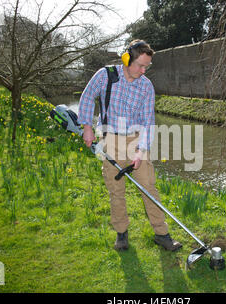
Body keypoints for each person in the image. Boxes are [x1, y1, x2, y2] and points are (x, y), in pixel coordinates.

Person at [77, 39, 182, 252]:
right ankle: (121, 233)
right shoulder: (105, 76)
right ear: (127, 59)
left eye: (147, 67)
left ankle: (162, 234)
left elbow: (147, 122)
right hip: (110, 139)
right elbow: (88, 97)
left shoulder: (146, 86)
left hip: (135, 139)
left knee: (149, 188)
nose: (144, 71)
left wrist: (141, 150)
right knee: (116, 190)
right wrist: (87, 126)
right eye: (140, 65)